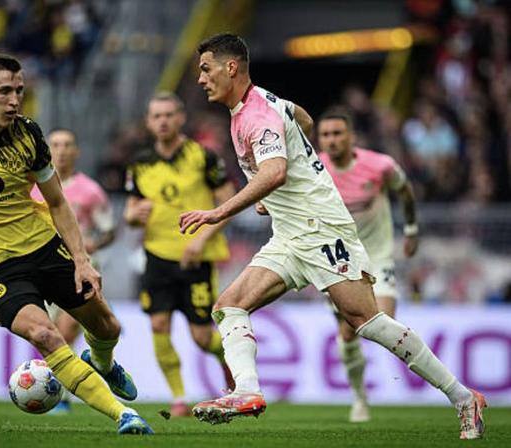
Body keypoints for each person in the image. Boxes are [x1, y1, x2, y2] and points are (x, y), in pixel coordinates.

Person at [179, 33, 486, 439]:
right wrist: (282, 186)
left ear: (230, 67)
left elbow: (275, 171)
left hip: (320, 229)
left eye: (206, 69)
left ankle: (463, 397)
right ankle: (247, 391)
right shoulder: (265, 102)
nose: (201, 79)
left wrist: (219, 210)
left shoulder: (256, 115)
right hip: (290, 234)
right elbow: (303, 120)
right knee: (229, 306)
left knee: (367, 322)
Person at [0, 53, 152, 435]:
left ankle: (103, 362)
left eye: (20, 91)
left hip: (43, 247)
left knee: (108, 328)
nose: (15, 100)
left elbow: (57, 201)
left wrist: (81, 260)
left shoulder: (28, 135)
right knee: (45, 334)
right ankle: (123, 414)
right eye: (5, 91)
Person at [124, 91, 236, 416]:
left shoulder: (204, 157)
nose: (163, 121)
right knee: (159, 325)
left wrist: (201, 239)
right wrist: (133, 215)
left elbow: (228, 204)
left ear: (181, 118)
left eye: (168, 115)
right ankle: (178, 398)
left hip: (195, 258)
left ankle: (228, 359)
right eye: (156, 116)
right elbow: (130, 211)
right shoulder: (140, 164)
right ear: (148, 122)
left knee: (201, 337)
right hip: (156, 256)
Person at [316, 109, 419, 422]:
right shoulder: (314, 167)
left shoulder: (380, 165)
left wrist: (411, 229)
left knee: (384, 323)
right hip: (338, 260)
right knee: (348, 335)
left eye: (338, 133)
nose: (332, 140)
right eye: (326, 135)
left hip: (377, 256)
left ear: (351, 137)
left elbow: (405, 190)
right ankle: (359, 397)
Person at [31, 128, 116, 412]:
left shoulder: (90, 190)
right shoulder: (32, 187)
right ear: (48, 150)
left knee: (67, 331)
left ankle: (62, 396)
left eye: (67, 145)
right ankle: (62, 389)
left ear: (76, 151)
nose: (62, 150)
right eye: (56, 144)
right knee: (49, 332)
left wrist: (94, 243)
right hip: (44, 266)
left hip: (81, 266)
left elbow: (109, 230)